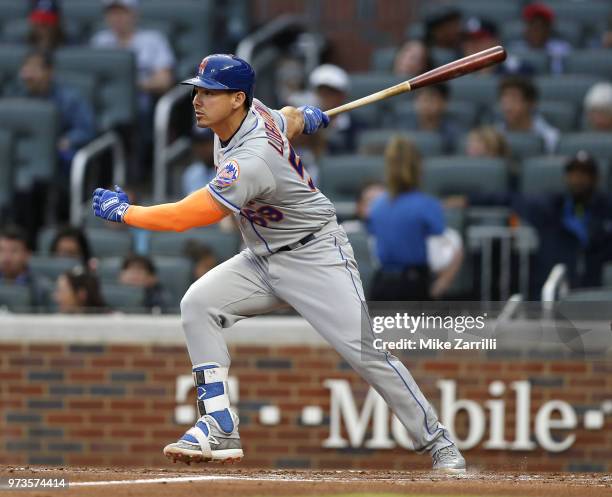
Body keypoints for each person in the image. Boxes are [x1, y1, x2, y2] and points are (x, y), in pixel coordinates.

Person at [92, 53, 466, 471]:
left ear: (237, 99)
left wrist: (126, 213)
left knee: (366, 353)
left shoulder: (251, 160)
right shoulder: (247, 115)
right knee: (198, 304)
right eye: (197, 90)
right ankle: (219, 423)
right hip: (261, 256)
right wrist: (303, 117)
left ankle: (440, 443)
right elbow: (284, 117)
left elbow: (184, 217)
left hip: (316, 255)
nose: (197, 99)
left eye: (209, 92)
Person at [454, 152, 612, 294]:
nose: (578, 179)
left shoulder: (606, 209)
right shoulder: (551, 206)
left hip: (594, 291)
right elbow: (510, 198)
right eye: (573, 174)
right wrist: (469, 200)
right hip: (550, 291)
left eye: (584, 174)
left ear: (595, 178)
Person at [368, 136, 460, 301]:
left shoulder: (377, 205)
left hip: (381, 284)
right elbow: (443, 254)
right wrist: (444, 281)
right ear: (419, 168)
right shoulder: (427, 205)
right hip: (413, 285)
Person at [12, 50, 96, 176]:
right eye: (26, 67)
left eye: (34, 68)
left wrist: (67, 140)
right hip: (25, 151)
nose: (28, 74)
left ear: (49, 72)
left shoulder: (69, 99)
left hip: (56, 151)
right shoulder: (17, 96)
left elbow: (87, 129)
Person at [309, 64, 365, 154]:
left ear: (343, 96)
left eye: (331, 93)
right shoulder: (307, 127)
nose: (325, 98)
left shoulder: (358, 127)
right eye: (321, 93)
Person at [496, 76, 560, 154]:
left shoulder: (549, 137)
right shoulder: (495, 136)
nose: (507, 106)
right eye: (504, 100)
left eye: (514, 99)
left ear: (530, 103)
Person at [510, 3, 571, 74]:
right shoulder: (515, 50)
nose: (537, 31)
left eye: (542, 26)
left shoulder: (562, 49)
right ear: (526, 29)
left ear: (549, 29)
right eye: (533, 26)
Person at [0, 225, 51, 309]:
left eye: (14, 251)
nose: (6, 257)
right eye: (1, 250)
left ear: (27, 255)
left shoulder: (41, 288)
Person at [463, 18, 534, 76]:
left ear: (496, 41)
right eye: (469, 40)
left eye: (480, 39)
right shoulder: (455, 71)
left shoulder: (517, 69)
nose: (474, 45)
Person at [405, 83, 459, 153]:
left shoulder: (453, 135)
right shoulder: (405, 130)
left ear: (444, 103)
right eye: (423, 99)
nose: (426, 104)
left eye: (432, 99)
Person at [182, 126, 216, 197]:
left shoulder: (229, 171)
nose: (201, 148)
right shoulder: (190, 173)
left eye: (205, 143)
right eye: (197, 143)